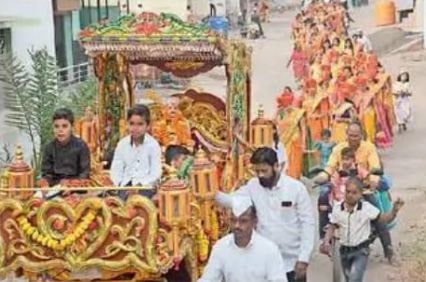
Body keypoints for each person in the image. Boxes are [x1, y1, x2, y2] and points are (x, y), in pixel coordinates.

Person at [216, 147, 315, 282]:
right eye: (257, 171)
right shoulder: (253, 186)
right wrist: (211, 193)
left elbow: (307, 224)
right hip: (264, 263)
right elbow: (233, 201)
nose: (260, 175)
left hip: (292, 263)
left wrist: (304, 258)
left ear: (276, 166)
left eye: (264, 171)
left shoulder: (296, 188)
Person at [321, 177, 404, 282]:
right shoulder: (338, 208)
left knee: (354, 278)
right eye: (348, 192)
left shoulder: (366, 209)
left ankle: (389, 252)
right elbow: (332, 226)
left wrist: (394, 211)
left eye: (354, 193)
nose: (350, 195)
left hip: (360, 252)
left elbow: (383, 219)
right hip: (344, 253)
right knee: (349, 278)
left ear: (361, 195)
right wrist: (326, 242)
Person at [199, 196, 288, 282]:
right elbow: (209, 279)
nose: (237, 225)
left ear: (254, 222)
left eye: (243, 221)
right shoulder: (221, 247)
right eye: (233, 220)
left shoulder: (269, 250)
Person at [110, 105, 162, 200]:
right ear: (127, 124)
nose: (135, 128)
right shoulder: (122, 144)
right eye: (132, 123)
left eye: (140, 124)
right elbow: (116, 170)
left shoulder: (153, 145)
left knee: (139, 205)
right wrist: (120, 186)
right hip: (125, 185)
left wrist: (139, 186)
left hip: (146, 186)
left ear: (148, 126)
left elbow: (156, 173)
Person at [40, 108, 91, 195]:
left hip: (76, 190)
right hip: (54, 189)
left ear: (72, 127)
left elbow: (84, 174)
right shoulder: (49, 147)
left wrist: (72, 186)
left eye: (64, 126)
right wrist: (45, 184)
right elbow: (46, 173)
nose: (60, 130)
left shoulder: (81, 146)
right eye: (56, 126)